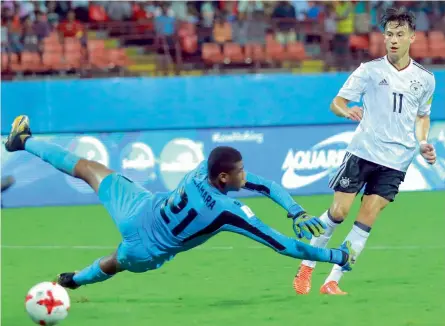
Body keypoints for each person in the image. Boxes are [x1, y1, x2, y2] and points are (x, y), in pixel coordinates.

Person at [5, 115, 355, 290]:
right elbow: (284, 246)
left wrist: (294, 209)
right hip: (148, 247)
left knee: (86, 168)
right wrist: (334, 255)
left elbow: (263, 184)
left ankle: (24, 142)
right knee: (116, 261)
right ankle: (75, 281)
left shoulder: (206, 166)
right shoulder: (227, 213)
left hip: (140, 208)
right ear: (223, 178)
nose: (245, 176)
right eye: (240, 172)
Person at [293, 7, 436, 295]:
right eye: (389, 34)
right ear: (384, 38)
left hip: (397, 161)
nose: (393, 39)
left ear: (412, 37)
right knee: (339, 211)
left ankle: (332, 281)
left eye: (399, 34)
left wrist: (422, 143)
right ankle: (307, 266)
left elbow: (422, 115)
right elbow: (336, 102)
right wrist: (346, 112)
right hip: (363, 152)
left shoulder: (426, 79)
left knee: (365, 221)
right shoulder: (369, 71)